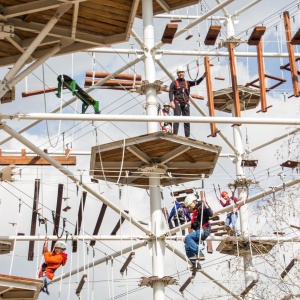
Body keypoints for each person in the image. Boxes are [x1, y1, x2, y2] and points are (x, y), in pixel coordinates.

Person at [169, 66, 206, 138]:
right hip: (177, 102)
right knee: (176, 119)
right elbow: (170, 93)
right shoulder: (173, 83)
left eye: (182, 72)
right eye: (179, 73)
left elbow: (196, 83)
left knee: (187, 120)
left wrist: (203, 77)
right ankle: (175, 135)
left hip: (185, 103)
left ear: (184, 73)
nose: (181, 74)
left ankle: (187, 136)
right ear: (177, 74)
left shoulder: (187, 83)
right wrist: (171, 102)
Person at [184, 193, 213, 270]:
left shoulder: (202, 206)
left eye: (189, 206)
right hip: (199, 231)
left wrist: (205, 203)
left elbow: (211, 213)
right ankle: (196, 265)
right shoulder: (195, 212)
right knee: (187, 246)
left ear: (193, 202)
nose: (189, 208)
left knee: (188, 237)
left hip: (205, 230)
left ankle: (199, 253)